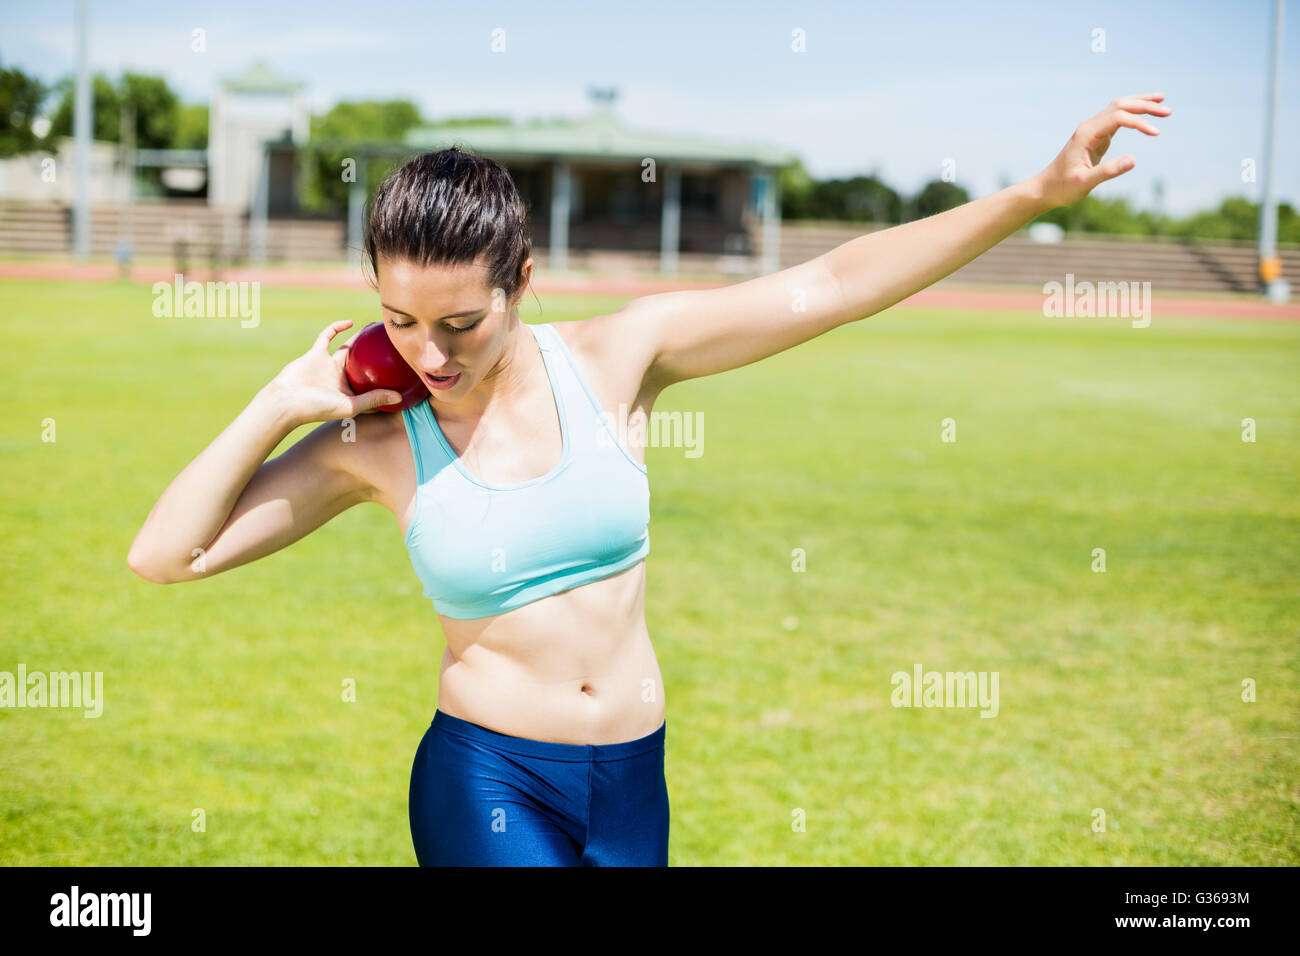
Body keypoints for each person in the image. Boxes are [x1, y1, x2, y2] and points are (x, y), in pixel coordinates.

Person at [127, 93, 1170, 866]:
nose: (430, 355)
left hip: (633, 778)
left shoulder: (618, 358)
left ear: (522, 281)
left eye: (460, 323)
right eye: (400, 321)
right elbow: (166, 555)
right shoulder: (377, 436)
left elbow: (831, 283)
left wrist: (1033, 194)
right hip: (487, 780)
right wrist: (273, 403)